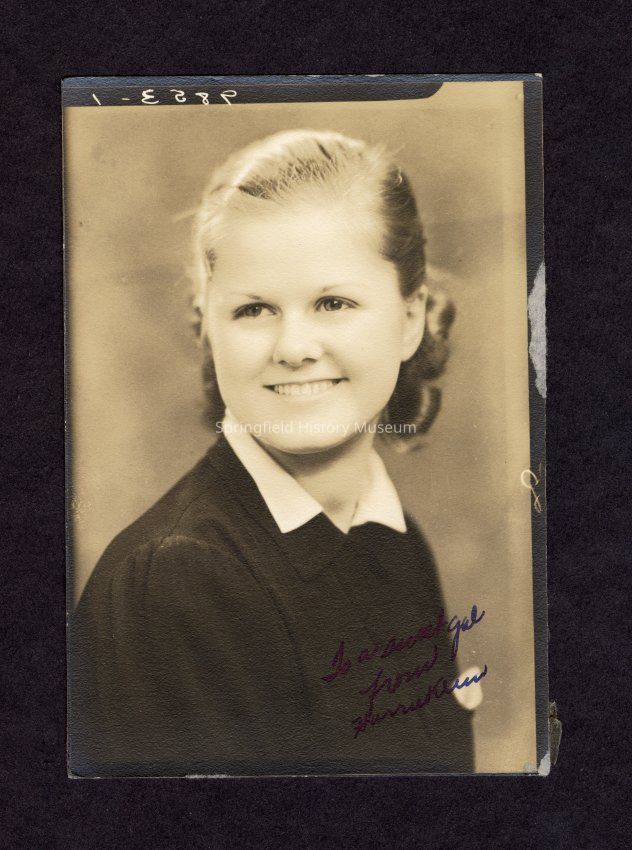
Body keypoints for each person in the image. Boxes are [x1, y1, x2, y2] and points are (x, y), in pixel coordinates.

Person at [69, 129, 474, 776]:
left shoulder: (394, 541)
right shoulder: (175, 580)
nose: (293, 347)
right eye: (254, 310)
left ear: (409, 319)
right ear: (209, 327)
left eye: (333, 302)